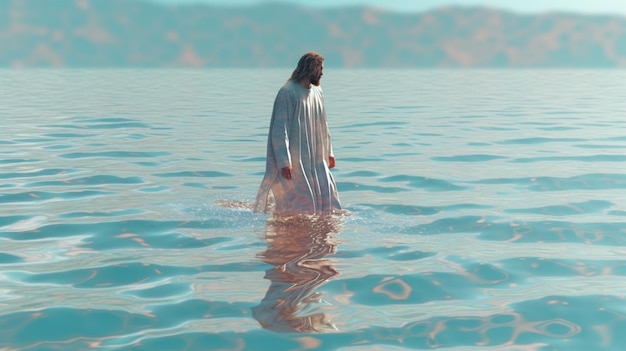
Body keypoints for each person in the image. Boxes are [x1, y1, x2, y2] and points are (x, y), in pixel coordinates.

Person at [254, 52, 341, 216]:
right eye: (320, 68)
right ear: (311, 69)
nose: (322, 72)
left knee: (327, 196)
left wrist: (329, 152)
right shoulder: (287, 92)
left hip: (315, 157)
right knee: (298, 202)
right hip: (295, 158)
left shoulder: (317, 91)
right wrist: (284, 161)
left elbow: (322, 123)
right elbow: (280, 129)